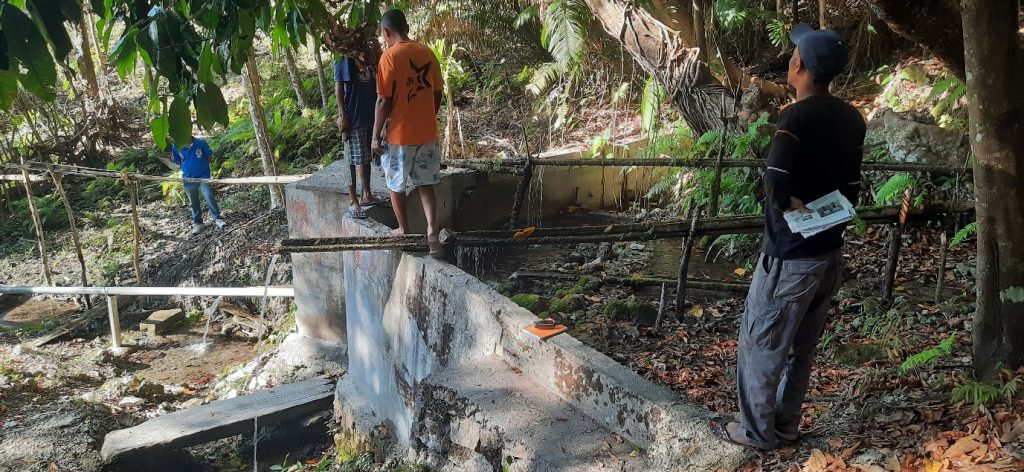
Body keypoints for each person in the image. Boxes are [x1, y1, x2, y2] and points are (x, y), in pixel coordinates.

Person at [710, 24, 865, 450]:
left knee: (762, 343)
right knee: (802, 348)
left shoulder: (795, 116)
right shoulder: (853, 117)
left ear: (798, 65)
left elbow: (775, 182)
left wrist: (789, 204)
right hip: (828, 253)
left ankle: (758, 433)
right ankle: (787, 424)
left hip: (789, 257)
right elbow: (852, 188)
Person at [371, 9, 444, 257]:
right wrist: (426, 116)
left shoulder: (389, 57)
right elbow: (437, 94)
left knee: (396, 184)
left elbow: (383, 101)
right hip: (426, 132)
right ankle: (433, 233)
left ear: (386, 31)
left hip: (399, 135)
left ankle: (404, 229)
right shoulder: (427, 53)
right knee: (426, 184)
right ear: (407, 28)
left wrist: (375, 136)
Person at [335, 54, 381, 218]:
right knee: (352, 160)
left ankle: (366, 194)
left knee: (366, 158)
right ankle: (353, 200)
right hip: (354, 117)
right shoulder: (344, 58)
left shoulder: (370, 58)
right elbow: (339, 86)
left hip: (371, 115)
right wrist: (342, 115)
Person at [170, 136, 225, 235]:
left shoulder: (201, 143)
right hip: (188, 178)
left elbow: (209, 157)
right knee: (193, 202)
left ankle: (217, 218)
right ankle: (198, 223)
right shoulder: (176, 146)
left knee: (209, 196)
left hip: (203, 176)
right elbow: (178, 160)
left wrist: (201, 167)